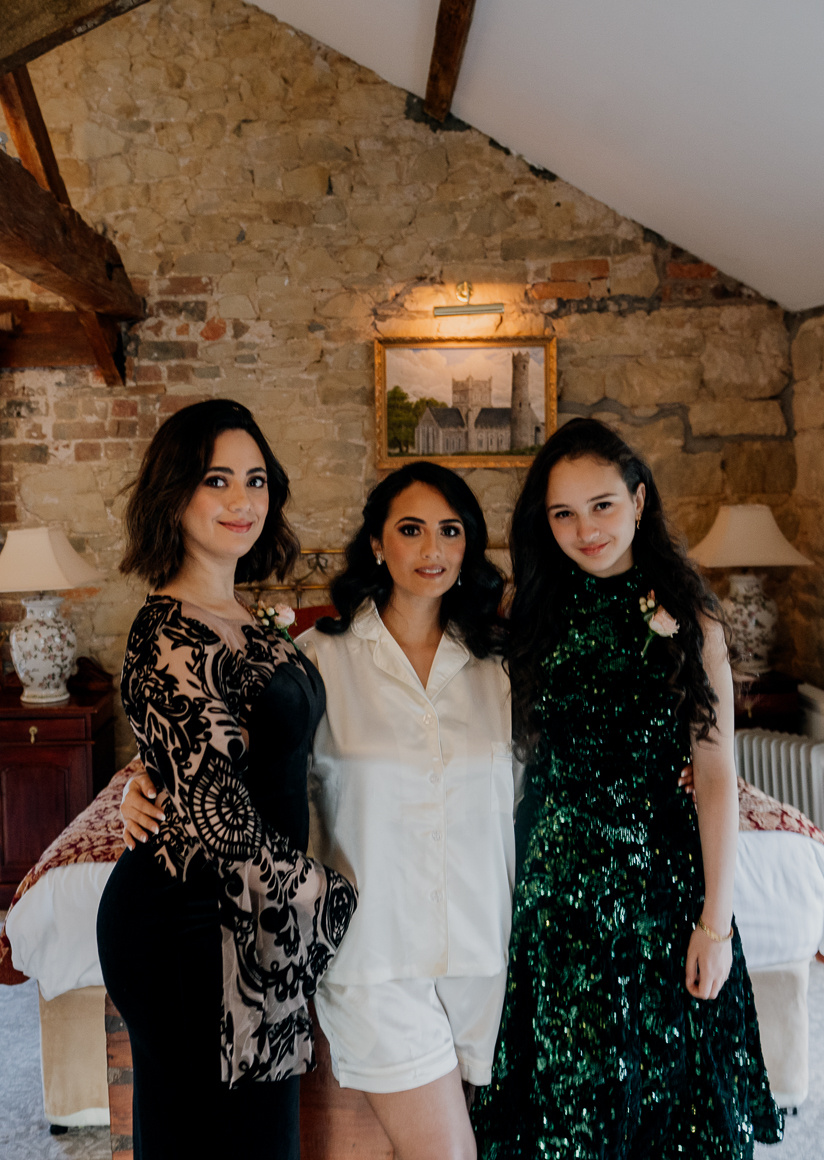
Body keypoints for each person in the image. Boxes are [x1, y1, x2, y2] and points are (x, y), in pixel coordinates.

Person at [125, 461, 515, 1160]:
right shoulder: (316, 659)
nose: (432, 549)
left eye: (451, 532)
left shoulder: (501, 667)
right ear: (375, 544)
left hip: (482, 952)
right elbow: (222, 752)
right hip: (374, 955)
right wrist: (141, 778)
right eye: (411, 529)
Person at [471, 417, 782, 1158]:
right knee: (573, 1092)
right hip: (556, 882)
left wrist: (717, 922)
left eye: (602, 505)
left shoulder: (692, 620)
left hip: (660, 882)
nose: (586, 530)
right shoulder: (530, 610)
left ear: (639, 500)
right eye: (563, 514)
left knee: (666, 1090)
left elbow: (715, 772)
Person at [95, 399, 357, 1160]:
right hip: (188, 924)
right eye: (218, 481)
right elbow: (221, 817)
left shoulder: (241, 616)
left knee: (260, 1142)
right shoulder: (168, 627)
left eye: (255, 480)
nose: (243, 501)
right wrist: (346, 905)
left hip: (248, 911)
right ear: (175, 495)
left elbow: (219, 749)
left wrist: (148, 772)